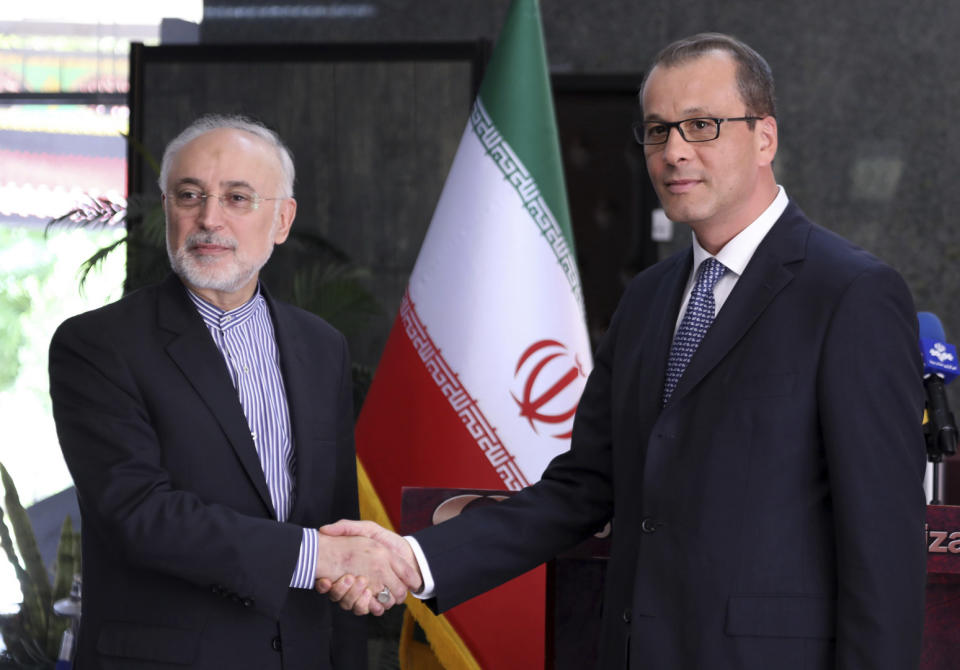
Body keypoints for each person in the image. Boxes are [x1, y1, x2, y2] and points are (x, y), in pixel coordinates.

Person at [318, 33, 928, 669]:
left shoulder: (851, 293)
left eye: (701, 125)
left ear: (765, 137)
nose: (674, 152)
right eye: (658, 130)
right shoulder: (647, 298)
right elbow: (583, 489)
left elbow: (882, 546)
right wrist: (414, 560)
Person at [48, 114, 417, 669]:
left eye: (238, 198)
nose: (209, 219)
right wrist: (320, 556)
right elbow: (139, 515)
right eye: (189, 195)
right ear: (168, 207)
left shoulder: (322, 347)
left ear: (282, 219)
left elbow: (334, 516)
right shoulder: (96, 345)